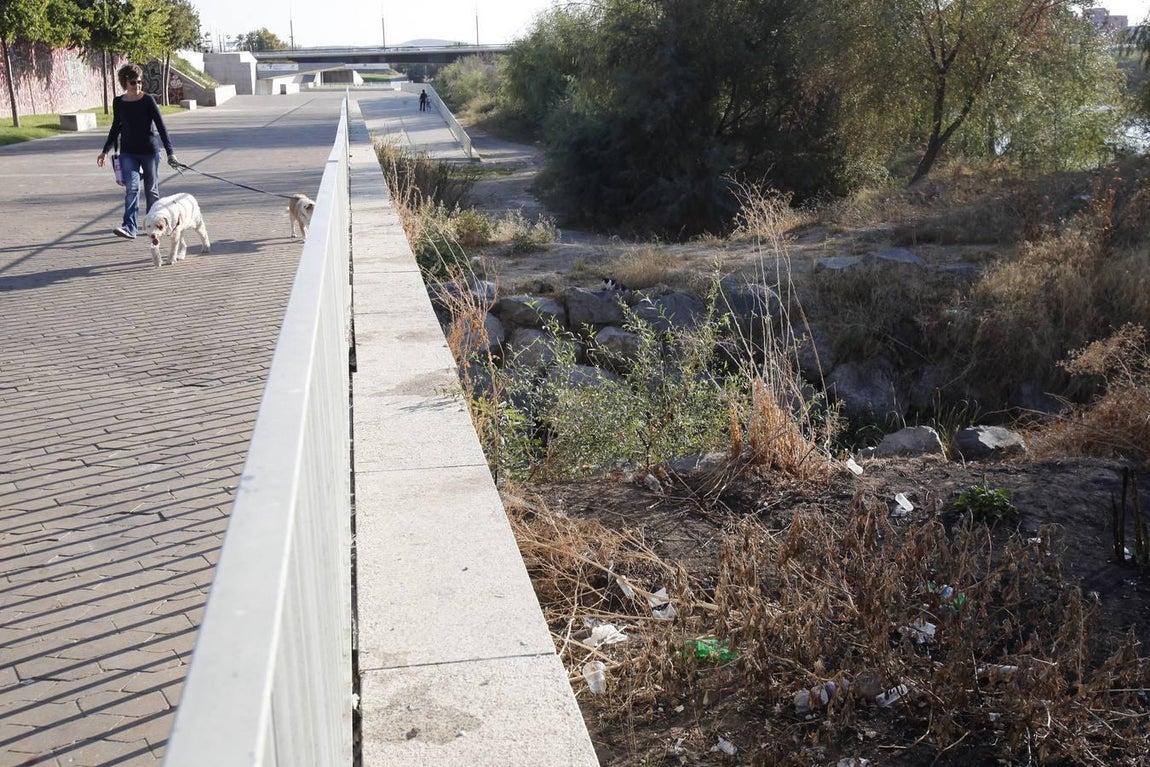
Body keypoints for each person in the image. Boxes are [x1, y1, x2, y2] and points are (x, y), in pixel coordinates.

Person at [96, 63, 181, 239]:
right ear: (125, 82)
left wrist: (170, 152)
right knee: (132, 189)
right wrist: (105, 151)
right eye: (134, 82)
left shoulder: (148, 100)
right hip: (128, 152)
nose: (138, 86)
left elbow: (161, 127)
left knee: (151, 190)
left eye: (140, 82)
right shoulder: (119, 102)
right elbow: (115, 127)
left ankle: (155, 225)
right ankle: (129, 227)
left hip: (150, 152)